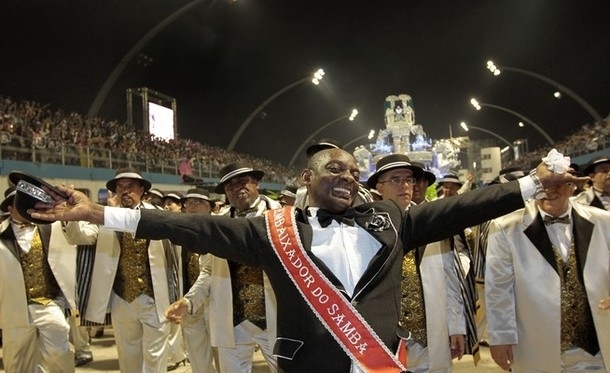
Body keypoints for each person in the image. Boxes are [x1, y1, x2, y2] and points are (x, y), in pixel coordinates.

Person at [29, 148, 588, 373]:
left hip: (379, 362)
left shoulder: (394, 220)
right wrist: (103, 216)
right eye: (333, 170)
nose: (345, 176)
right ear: (306, 180)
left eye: (352, 170)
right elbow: (190, 226)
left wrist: (533, 186)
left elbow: (468, 207)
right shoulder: (272, 233)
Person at [485, 167, 610, 371]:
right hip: (537, 345)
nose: (549, 190)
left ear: (571, 186)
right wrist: (500, 337)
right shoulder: (505, 227)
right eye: (544, 184)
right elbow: (498, 288)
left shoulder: (604, 221)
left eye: (558, 183)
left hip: (597, 347)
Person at [62, 167, 178, 372]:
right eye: (120, 187)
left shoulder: (159, 215)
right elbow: (78, 237)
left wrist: (176, 293)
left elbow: (175, 257)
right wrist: (69, 218)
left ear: (141, 190)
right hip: (121, 298)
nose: (125, 191)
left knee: (155, 357)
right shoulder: (105, 216)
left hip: (155, 297)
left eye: (130, 187)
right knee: (128, 355)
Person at [367, 154, 466, 372]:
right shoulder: (364, 228)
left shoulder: (432, 220)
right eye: (395, 179)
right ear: (379, 187)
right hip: (385, 339)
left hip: (431, 334)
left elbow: (450, 275)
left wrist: (456, 326)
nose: (405, 186)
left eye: (409, 179)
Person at [210, 161, 279, 372]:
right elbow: (208, 270)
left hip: (275, 315)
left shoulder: (282, 215)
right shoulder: (219, 223)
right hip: (234, 318)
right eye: (229, 186)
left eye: (242, 181)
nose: (237, 188)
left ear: (256, 182)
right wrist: (189, 300)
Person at [0, 184, 76, 373]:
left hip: (48, 301)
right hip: (13, 307)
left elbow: (76, 238)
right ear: (10, 208)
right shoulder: (1, 233)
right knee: (17, 360)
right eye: (19, 203)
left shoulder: (51, 227)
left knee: (60, 351)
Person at [165, 188, 217, 372]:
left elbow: (210, 272)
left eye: (198, 203)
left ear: (209, 207)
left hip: (215, 304)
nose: (192, 207)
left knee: (224, 359)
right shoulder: (179, 234)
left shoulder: (219, 232)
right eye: (188, 204)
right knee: (198, 359)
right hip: (189, 307)